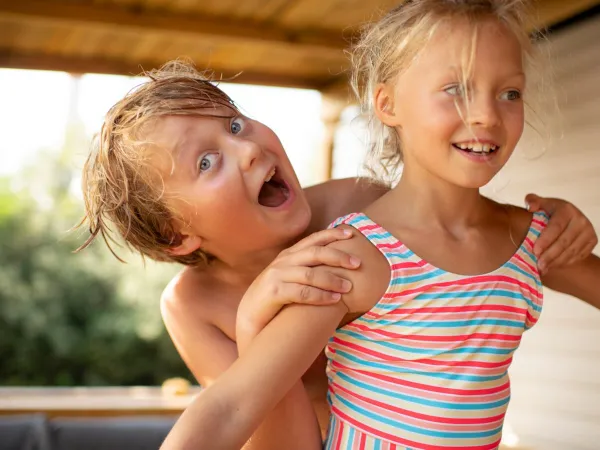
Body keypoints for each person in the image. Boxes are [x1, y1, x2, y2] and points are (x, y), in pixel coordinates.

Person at [156, 1, 600, 449]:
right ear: (387, 104)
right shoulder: (351, 255)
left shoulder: (530, 240)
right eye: (456, 88)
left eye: (510, 93)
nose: (487, 114)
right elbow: (230, 407)